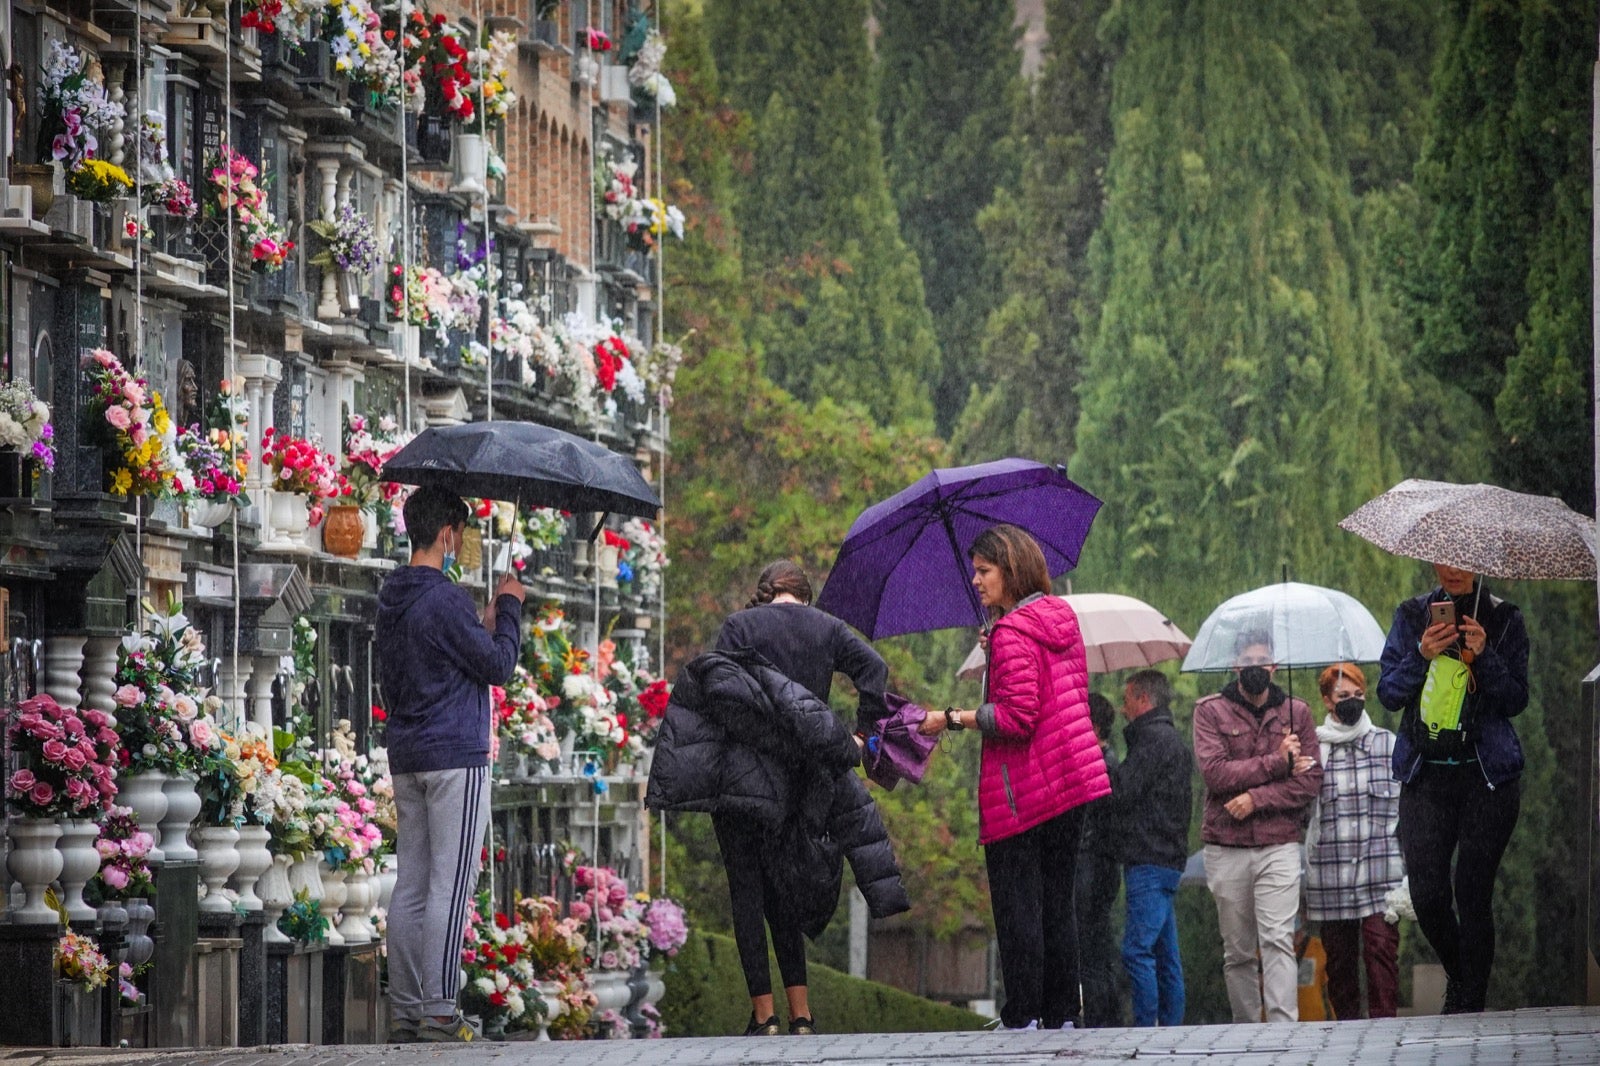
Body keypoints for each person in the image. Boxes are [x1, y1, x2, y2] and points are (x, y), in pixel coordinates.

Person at [647, 560, 908, 1037]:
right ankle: (802, 1016)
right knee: (783, 894)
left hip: (742, 783)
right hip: (800, 783)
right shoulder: (828, 628)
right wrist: (862, 731)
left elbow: (719, 693)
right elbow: (873, 666)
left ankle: (764, 1018)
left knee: (746, 895)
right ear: (804, 596)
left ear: (765, 593)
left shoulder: (739, 628)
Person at [919, 524, 1110, 1031]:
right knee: (1057, 902)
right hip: (1073, 778)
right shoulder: (1057, 618)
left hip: (1026, 789)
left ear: (1011, 570)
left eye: (984, 572)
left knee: (1019, 904)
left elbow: (1016, 718)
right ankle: (1063, 1012)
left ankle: (1022, 1012)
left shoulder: (1011, 634)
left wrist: (952, 716)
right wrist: (996, 647)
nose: (976, 582)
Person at [376, 486, 525, 1043]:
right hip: (455, 757)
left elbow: (445, 657)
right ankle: (441, 1009)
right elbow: (497, 665)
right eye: (459, 533)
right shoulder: (444, 598)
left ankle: (408, 1007)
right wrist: (509, 607)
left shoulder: (395, 594)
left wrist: (481, 620)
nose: (461, 543)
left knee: (411, 883)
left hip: (408, 752)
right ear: (445, 534)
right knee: (450, 884)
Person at [1377, 564, 1527, 1014]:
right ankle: (1462, 977)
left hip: (1487, 778)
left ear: (1478, 564)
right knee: (1427, 893)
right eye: (1445, 561)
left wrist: (1485, 656)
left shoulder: (1505, 618)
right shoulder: (1411, 615)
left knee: (1472, 890)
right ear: (1434, 562)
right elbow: (1388, 693)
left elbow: (1516, 699)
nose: (1454, 571)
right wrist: (1420, 654)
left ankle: (1470, 1000)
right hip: (1427, 774)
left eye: (1463, 563)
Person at [1193, 631, 1321, 1024]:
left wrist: (1255, 799)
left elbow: (1310, 782)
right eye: (1247, 660)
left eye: (1262, 660)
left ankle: (1283, 1033)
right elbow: (1215, 774)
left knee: (1279, 939)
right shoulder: (1209, 711)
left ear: (1274, 666)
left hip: (1279, 843)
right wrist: (1278, 763)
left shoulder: (1298, 713)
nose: (1255, 667)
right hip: (1225, 846)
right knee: (1238, 951)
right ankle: (1247, 1034)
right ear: (1234, 666)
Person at [1305, 662, 1403, 1020]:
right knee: (1340, 967)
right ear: (1328, 701)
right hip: (1331, 879)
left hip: (1380, 875)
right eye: (1344, 696)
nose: (1353, 702)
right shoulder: (1312, 751)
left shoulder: (1388, 745)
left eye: (1359, 695)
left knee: (1381, 955)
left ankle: (1385, 1032)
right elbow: (1302, 814)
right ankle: (1346, 1037)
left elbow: (1407, 808)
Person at [1109, 668, 1192, 1027]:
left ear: (1143, 699)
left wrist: (1106, 761)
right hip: (1168, 859)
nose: (1123, 708)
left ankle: (1147, 1030)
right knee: (1165, 952)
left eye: (1127, 700)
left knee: (1137, 952)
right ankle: (1171, 1028)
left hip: (1148, 858)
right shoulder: (1170, 740)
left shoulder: (1152, 742)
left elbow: (1124, 791)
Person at [1075, 693, 1124, 1028]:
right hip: (1102, 866)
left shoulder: (1097, 766)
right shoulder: (1109, 762)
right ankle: (1104, 1015)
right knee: (1098, 945)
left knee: (1091, 946)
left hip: (1090, 866)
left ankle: (1097, 1018)